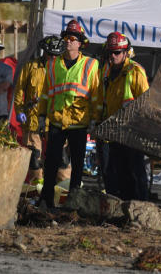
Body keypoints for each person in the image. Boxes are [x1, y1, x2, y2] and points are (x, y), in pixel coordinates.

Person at [38, 20, 100, 209]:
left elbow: (96, 94)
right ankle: (46, 199)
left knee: (77, 166)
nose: (68, 41)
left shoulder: (90, 64)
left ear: (80, 43)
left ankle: (74, 201)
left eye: (72, 38)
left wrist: (95, 120)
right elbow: (46, 92)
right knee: (51, 163)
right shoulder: (53, 64)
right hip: (57, 120)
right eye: (66, 37)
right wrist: (41, 117)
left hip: (79, 122)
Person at [98, 32, 151, 201]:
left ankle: (141, 208)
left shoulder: (135, 71)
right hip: (114, 131)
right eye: (110, 52)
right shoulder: (106, 71)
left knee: (136, 173)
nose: (113, 56)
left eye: (117, 52)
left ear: (126, 52)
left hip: (133, 132)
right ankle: (124, 210)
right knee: (118, 174)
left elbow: (146, 103)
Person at [13, 36, 61, 184]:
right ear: (44, 51)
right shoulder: (30, 67)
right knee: (34, 159)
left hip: (55, 120)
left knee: (61, 159)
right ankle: (36, 192)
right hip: (32, 120)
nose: (53, 57)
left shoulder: (62, 69)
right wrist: (19, 111)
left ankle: (63, 190)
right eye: (50, 54)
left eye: (56, 55)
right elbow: (19, 91)